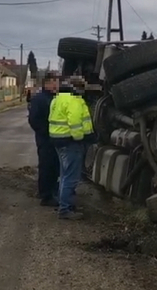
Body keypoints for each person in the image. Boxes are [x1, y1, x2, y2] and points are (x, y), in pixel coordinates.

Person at [48, 75, 93, 220]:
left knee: (64, 175)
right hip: (71, 142)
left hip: (58, 140)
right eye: (82, 87)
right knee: (71, 178)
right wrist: (82, 138)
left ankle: (65, 205)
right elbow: (75, 123)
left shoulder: (58, 98)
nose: (83, 91)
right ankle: (65, 209)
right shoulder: (73, 100)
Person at [28, 72, 61, 207]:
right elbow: (34, 120)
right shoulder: (40, 99)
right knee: (46, 166)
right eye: (55, 82)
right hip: (46, 139)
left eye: (58, 82)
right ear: (47, 83)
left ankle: (53, 190)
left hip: (56, 138)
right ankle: (45, 196)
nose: (57, 85)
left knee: (55, 166)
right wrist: (46, 132)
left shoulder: (55, 98)